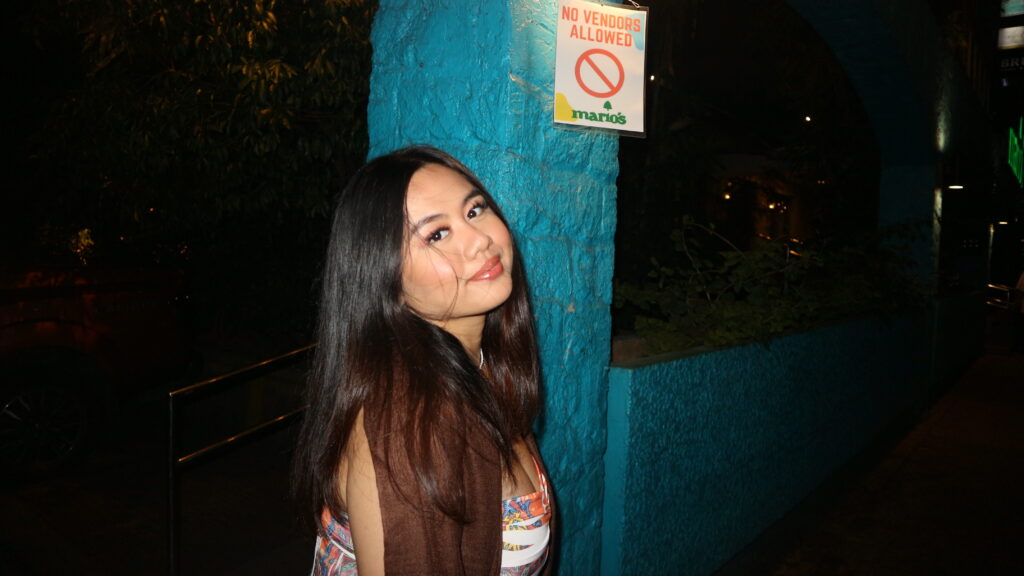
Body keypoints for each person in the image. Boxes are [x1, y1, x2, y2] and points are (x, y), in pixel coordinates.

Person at [292, 146, 554, 575]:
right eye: (436, 235)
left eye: (475, 210)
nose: (480, 240)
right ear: (385, 279)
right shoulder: (409, 425)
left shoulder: (478, 365)